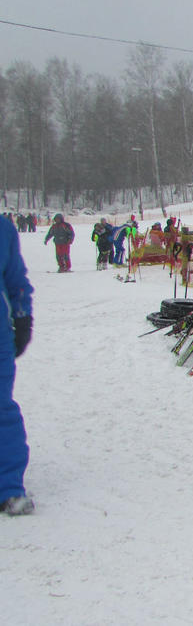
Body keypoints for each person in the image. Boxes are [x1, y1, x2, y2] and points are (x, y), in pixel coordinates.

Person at [0, 214, 35, 515]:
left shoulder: (2, 228)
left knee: (0, 408)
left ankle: (7, 487)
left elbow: (15, 277)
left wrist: (23, 316)